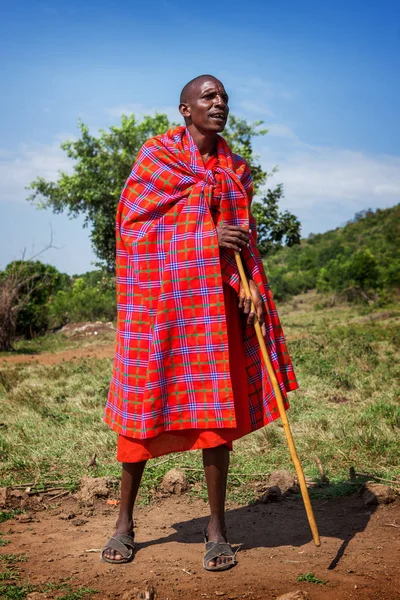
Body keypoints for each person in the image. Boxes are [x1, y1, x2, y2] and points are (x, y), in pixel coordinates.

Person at [102, 75, 298, 571]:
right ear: (185, 109)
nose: (219, 103)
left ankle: (217, 530)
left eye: (224, 97)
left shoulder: (235, 169)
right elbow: (133, 228)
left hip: (215, 308)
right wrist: (204, 236)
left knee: (216, 420)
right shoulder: (156, 158)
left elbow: (241, 239)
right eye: (208, 97)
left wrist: (250, 286)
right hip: (163, 308)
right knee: (144, 412)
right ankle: (123, 524)